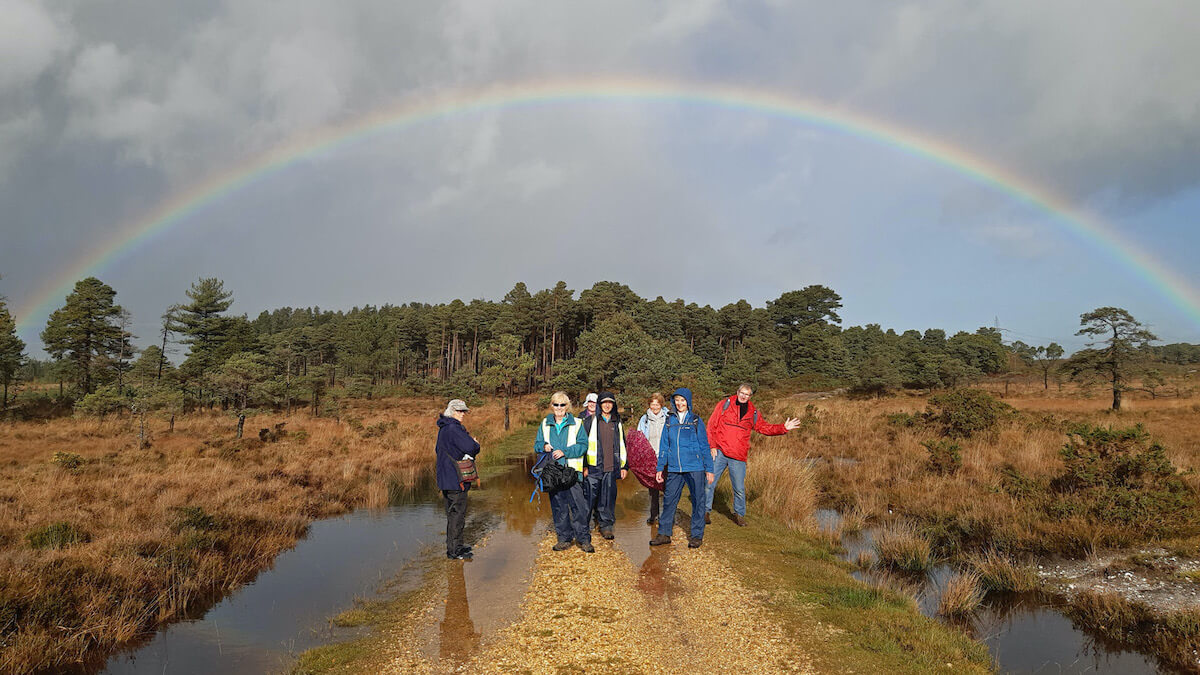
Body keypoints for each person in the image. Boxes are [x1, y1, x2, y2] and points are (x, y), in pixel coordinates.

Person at [705, 383, 801, 526]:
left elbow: (763, 427)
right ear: (737, 392)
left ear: (751, 396)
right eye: (742, 393)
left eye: (747, 394)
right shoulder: (724, 404)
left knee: (739, 488)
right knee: (709, 483)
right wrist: (712, 446)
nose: (744, 396)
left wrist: (783, 428)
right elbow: (711, 426)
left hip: (738, 456)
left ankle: (739, 515)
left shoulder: (753, 412)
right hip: (719, 451)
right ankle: (705, 511)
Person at [651, 387, 714, 548]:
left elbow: (704, 445)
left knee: (698, 501)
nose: (680, 403)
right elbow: (664, 446)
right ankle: (664, 533)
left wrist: (709, 469)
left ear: (688, 402)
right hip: (674, 468)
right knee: (669, 501)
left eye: (683, 400)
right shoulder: (669, 420)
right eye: (677, 400)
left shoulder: (695, 420)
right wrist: (660, 468)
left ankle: (696, 536)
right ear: (673, 402)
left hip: (695, 467)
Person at [533, 391, 593, 553]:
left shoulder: (577, 423)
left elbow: (583, 445)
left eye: (562, 405)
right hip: (552, 473)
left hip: (571, 472)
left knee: (579, 507)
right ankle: (564, 538)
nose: (559, 408)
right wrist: (543, 446)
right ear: (551, 406)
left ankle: (583, 539)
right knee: (558, 507)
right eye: (556, 404)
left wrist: (565, 452)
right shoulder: (545, 424)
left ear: (567, 406)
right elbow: (537, 444)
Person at [577, 391, 627, 540]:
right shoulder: (589, 421)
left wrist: (624, 467)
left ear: (613, 405)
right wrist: (584, 466)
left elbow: (622, 445)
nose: (607, 405)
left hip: (610, 468)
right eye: (604, 402)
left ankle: (606, 526)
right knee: (588, 500)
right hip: (592, 468)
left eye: (610, 402)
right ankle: (582, 528)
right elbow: (583, 445)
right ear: (599, 404)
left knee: (607, 499)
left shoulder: (617, 422)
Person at [435, 399, 480, 560]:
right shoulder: (454, 428)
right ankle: (455, 551)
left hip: (445, 478)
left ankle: (455, 546)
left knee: (452, 513)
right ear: (452, 411)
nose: (463, 414)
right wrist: (475, 444)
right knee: (457, 514)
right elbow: (471, 447)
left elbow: (437, 450)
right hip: (456, 479)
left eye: (464, 411)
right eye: (460, 411)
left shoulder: (444, 428)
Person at [636, 392, 669, 525]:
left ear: (661, 404)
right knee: (653, 487)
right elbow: (639, 438)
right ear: (649, 405)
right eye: (652, 404)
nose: (655, 407)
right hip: (650, 458)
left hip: (665, 457)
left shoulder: (668, 417)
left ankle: (666, 515)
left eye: (657, 404)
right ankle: (653, 514)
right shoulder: (644, 419)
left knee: (667, 487)